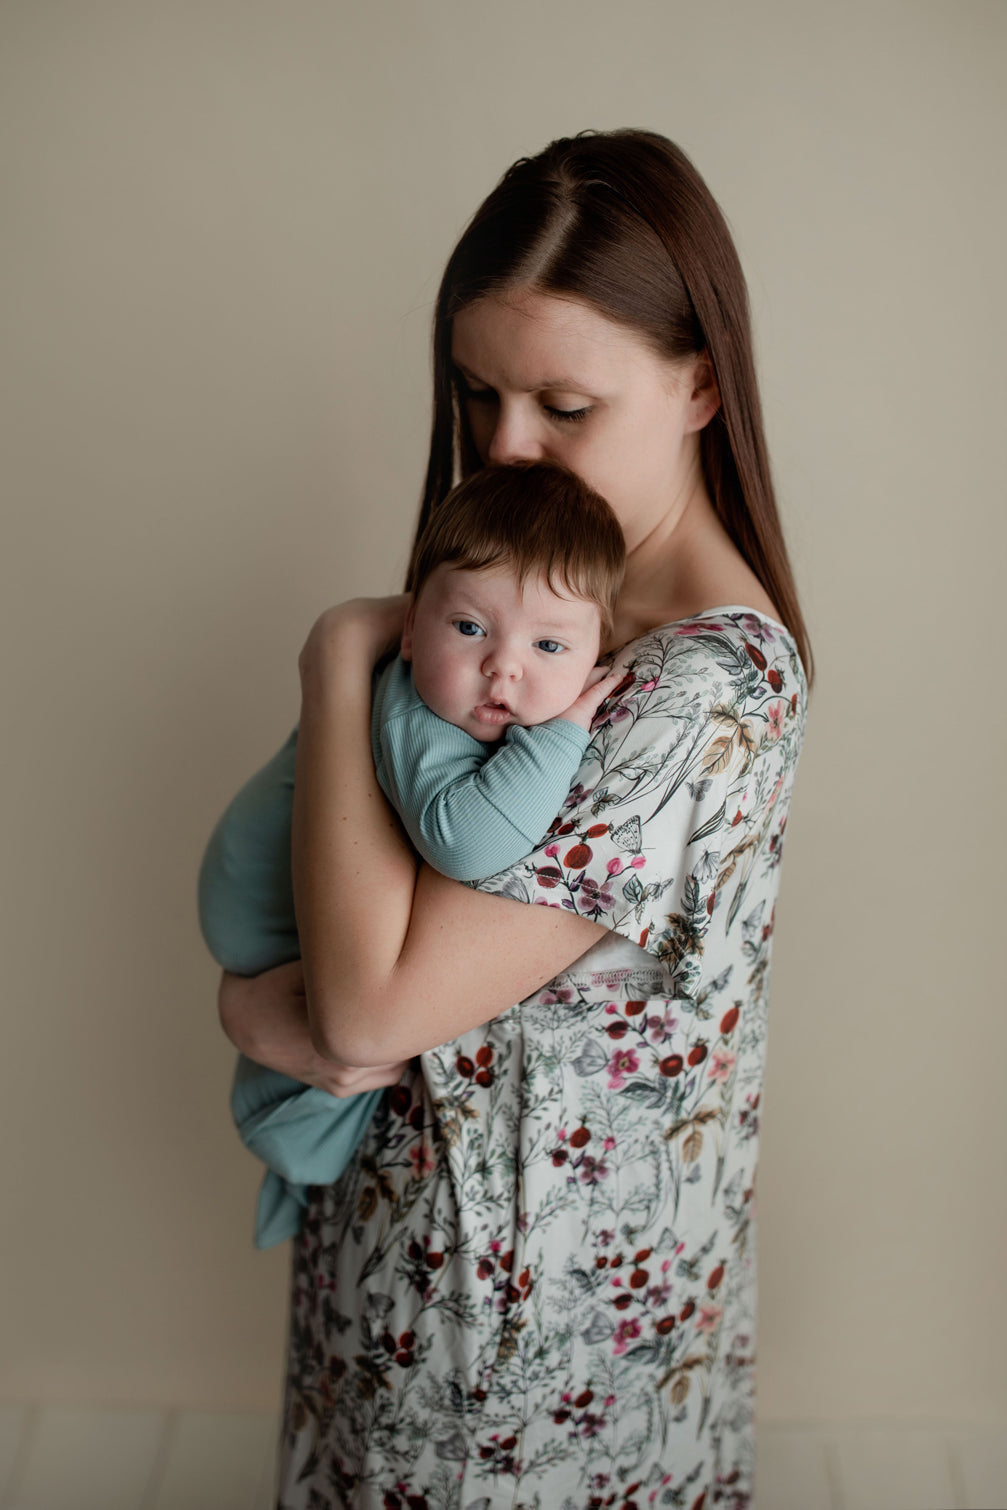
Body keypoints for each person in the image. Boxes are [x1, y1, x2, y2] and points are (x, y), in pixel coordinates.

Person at [217, 128, 811, 1510]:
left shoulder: (687, 690)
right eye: (477, 392)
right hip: (415, 1243)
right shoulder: (540, 612)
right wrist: (260, 1007)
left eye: (561, 404)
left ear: (698, 386)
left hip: (525, 1330)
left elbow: (365, 1014)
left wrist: (332, 649)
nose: (501, 444)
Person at [199, 462, 625, 1248]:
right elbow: (469, 842)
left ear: (598, 648)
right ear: (409, 627)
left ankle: (294, 1169)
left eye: (550, 644)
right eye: (469, 627)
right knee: (318, 1097)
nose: (503, 666)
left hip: (275, 932)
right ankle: (288, 1158)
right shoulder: (414, 711)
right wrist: (565, 731)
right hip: (265, 925)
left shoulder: (466, 697)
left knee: (334, 1068)